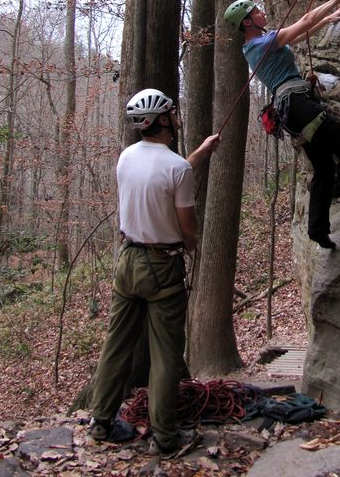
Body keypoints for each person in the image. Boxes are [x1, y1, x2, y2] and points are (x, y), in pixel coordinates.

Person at [88, 88, 220, 456]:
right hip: (162, 267)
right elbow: (187, 226)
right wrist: (189, 247)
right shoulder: (176, 168)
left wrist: (200, 154)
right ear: (162, 120)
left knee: (117, 344)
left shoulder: (126, 157)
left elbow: (159, 177)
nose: (176, 116)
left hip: (127, 261)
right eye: (172, 112)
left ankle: (101, 422)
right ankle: (165, 436)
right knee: (166, 351)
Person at [224, 0, 340, 250]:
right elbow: (304, 22)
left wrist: (326, 20)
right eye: (257, 11)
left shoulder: (256, 45)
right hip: (300, 105)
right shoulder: (262, 43)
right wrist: (337, 0)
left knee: (324, 168)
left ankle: (317, 231)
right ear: (247, 22)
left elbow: (298, 35)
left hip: (291, 112)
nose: (262, 11)